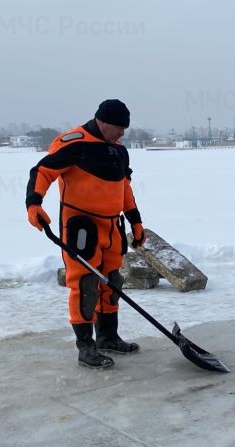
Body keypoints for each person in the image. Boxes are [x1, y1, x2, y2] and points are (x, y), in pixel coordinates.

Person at [25, 99, 145, 369]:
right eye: (118, 127)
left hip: (112, 226)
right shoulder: (74, 142)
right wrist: (34, 204)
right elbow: (42, 172)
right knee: (85, 283)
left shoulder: (119, 150)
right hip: (82, 226)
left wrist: (135, 221)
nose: (122, 133)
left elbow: (124, 187)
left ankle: (108, 337)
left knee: (111, 280)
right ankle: (86, 348)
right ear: (102, 121)